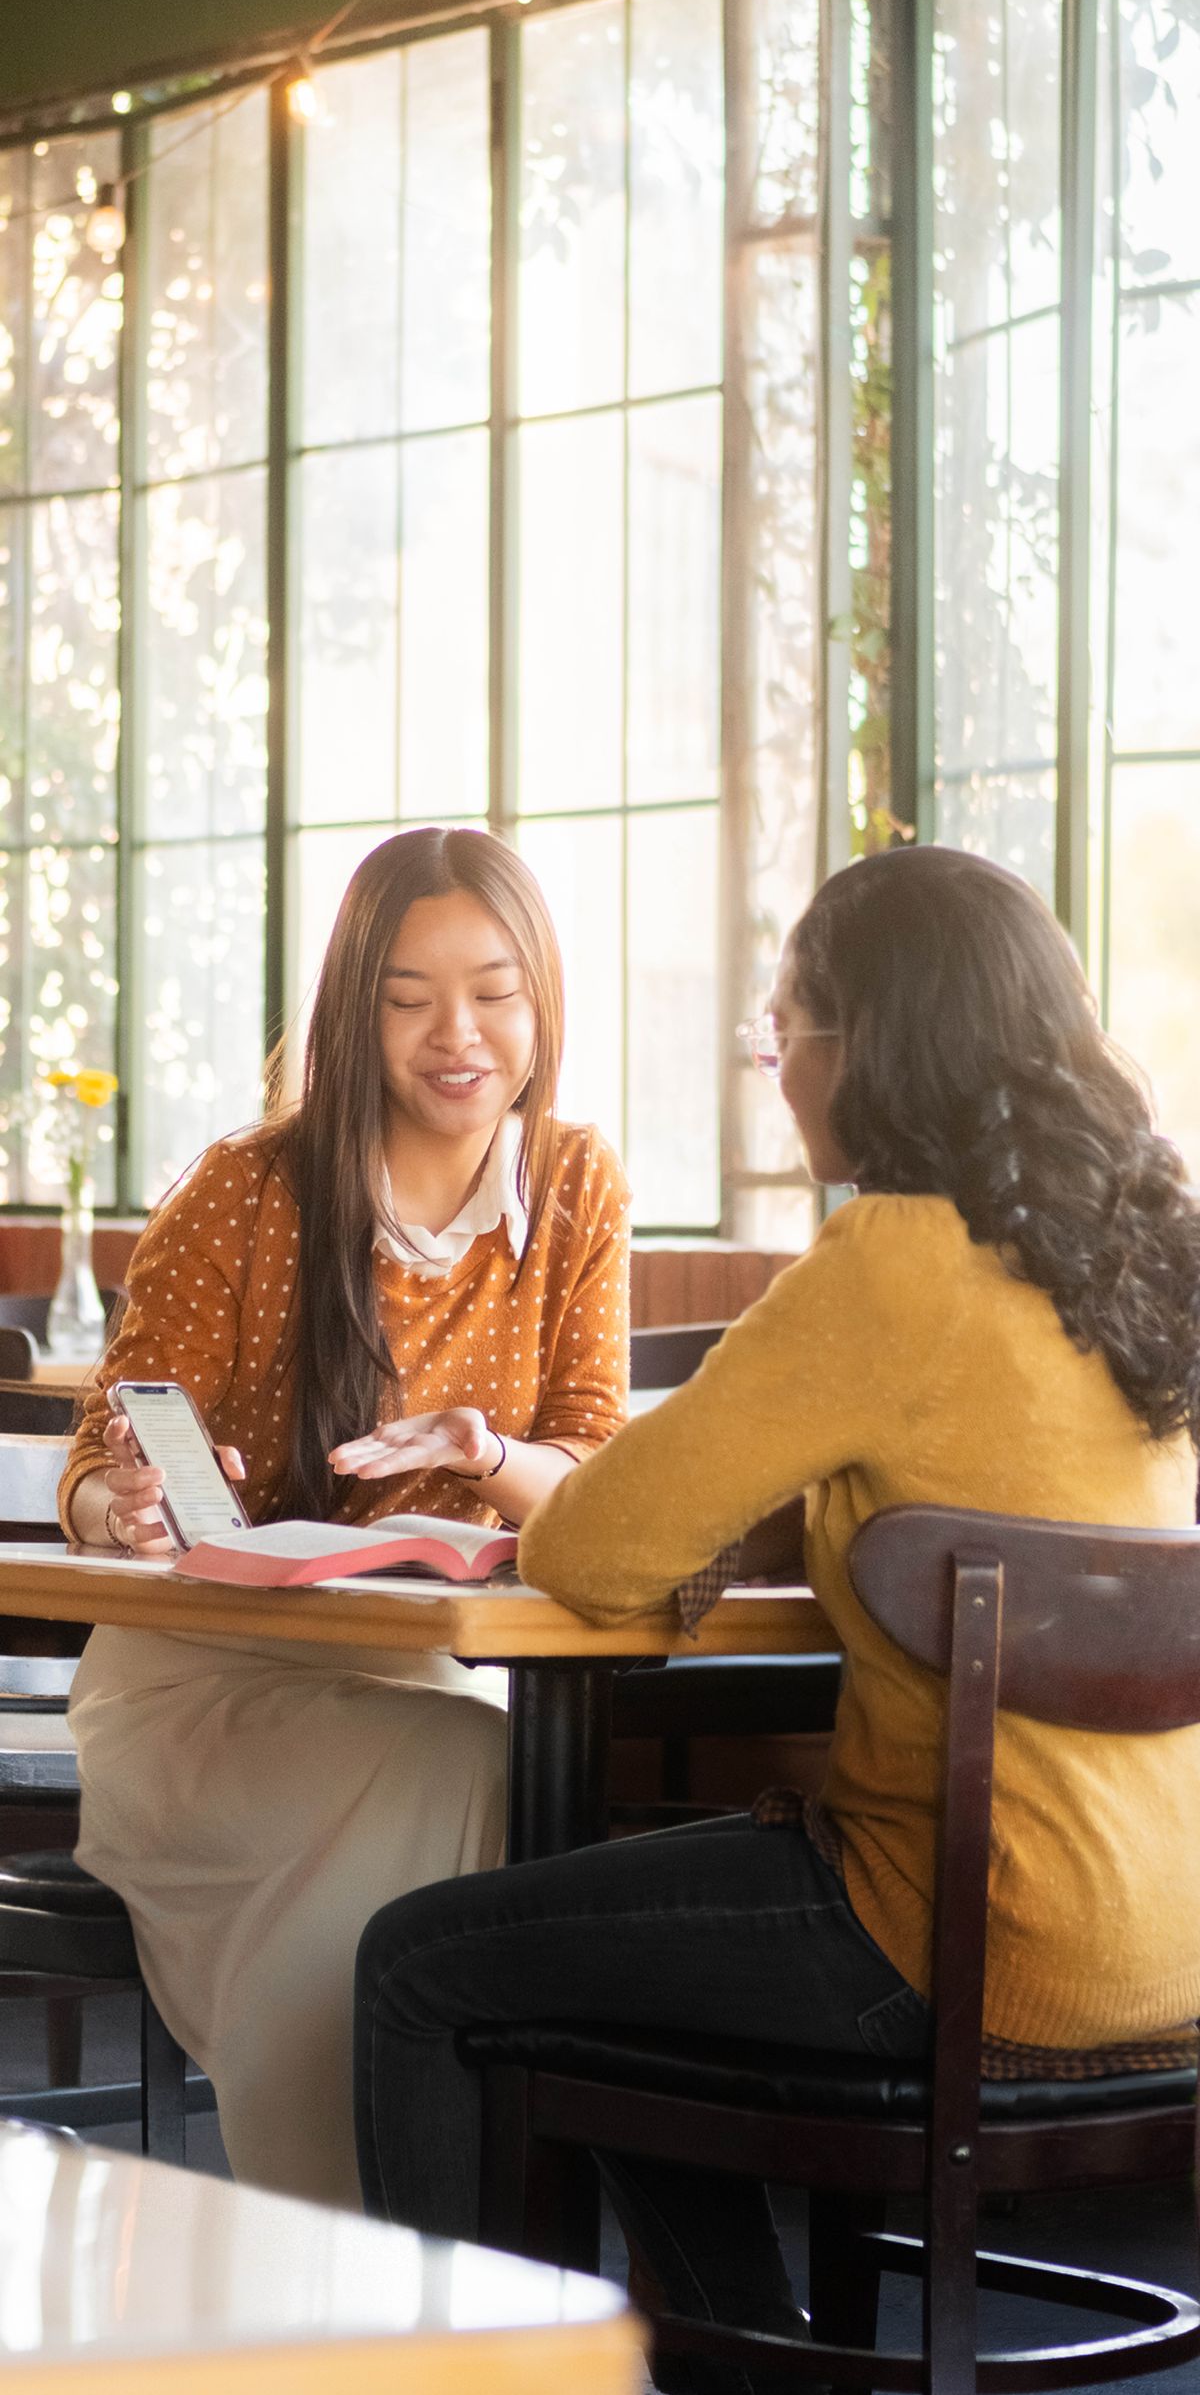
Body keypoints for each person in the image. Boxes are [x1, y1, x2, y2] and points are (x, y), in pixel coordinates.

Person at [355, 844, 1200, 2378]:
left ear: (865, 1042)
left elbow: (600, 1549)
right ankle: (748, 2363)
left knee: (423, 1961)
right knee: (616, 1988)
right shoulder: (1138, 1267)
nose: (778, 1067)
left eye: (786, 1027)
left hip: (957, 1929)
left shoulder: (886, 1256)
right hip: (1166, 1934)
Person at [60, 826, 629, 2207]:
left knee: (485, 1768)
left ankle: (430, 2257)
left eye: (495, 989)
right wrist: (119, 1503)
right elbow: (96, 1461)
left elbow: (598, 1484)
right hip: (199, 1692)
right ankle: (368, 2252)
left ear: (542, 999)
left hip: (427, 1675)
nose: (459, 1034)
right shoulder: (245, 1190)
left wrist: (489, 1454)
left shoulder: (578, 1187)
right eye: (408, 996)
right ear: (350, 1009)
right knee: (475, 1778)